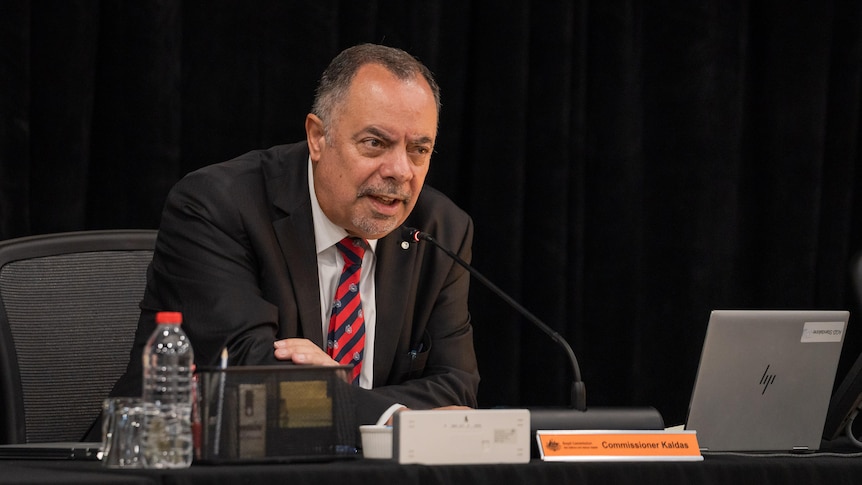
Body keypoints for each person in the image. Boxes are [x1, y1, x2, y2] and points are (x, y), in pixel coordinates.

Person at [109, 43, 480, 428]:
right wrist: (384, 415)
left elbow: (456, 389)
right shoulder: (217, 205)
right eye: (375, 143)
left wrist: (337, 392)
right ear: (318, 137)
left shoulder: (441, 229)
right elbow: (247, 374)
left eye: (419, 149)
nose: (401, 171)